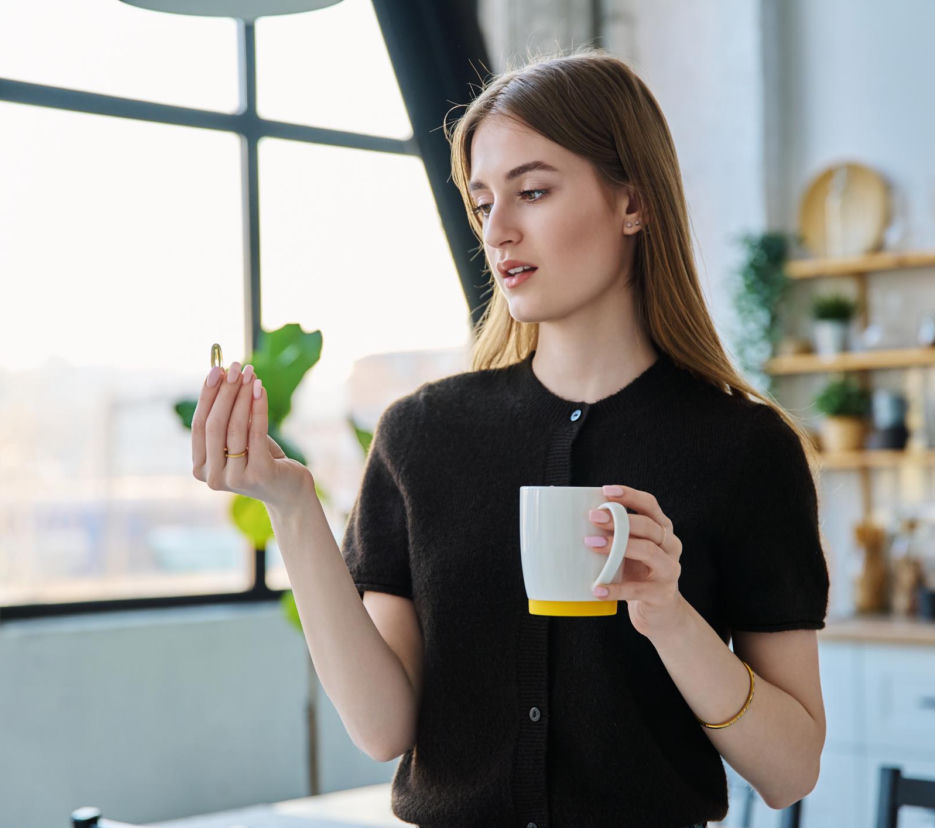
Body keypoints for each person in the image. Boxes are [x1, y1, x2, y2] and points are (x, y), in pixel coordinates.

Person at [191, 47, 829, 828]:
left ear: (633, 202)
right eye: (484, 202)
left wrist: (669, 615)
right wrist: (291, 509)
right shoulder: (420, 435)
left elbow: (792, 770)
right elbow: (383, 727)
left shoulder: (747, 447)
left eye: (532, 191)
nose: (499, 230)